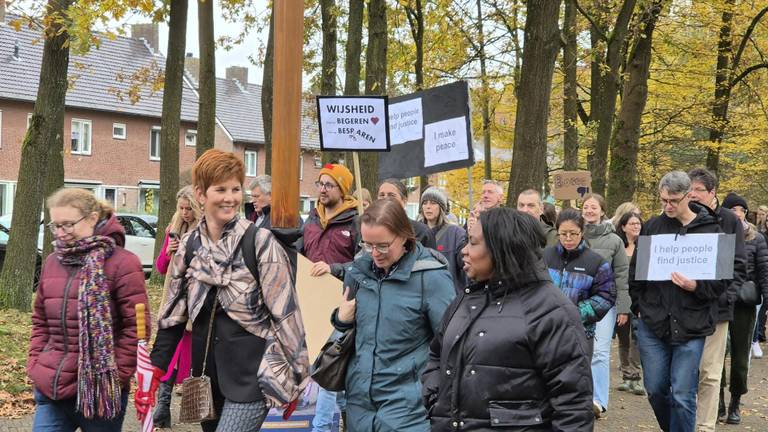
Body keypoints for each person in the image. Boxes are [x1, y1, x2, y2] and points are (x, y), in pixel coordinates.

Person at [145, 149, 309, 432]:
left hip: (252, 376)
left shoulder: (260, 243)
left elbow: (286, 313)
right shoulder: (189, 247)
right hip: (206, 379)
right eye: (220, 189)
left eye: (235, 189)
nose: (230, 197)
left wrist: (297, 374)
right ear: (200, 194)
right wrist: (155, 370)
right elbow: (173, 313)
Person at [423, 207, 595, 430]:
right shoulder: (465, 300)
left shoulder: (552, 310)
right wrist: (435, 395)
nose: (464, 251)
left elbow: (573, 405)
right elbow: (437, 354)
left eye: (473, 243)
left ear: (501, 247)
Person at [28, 188, 149, 431]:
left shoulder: (123, 263)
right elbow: (40, 321)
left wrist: (115, 375)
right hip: (52, 386)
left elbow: (137, 329)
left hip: (100, 392)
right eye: (56, 225)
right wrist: (36, 361)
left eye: (68, 225)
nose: (61, 234)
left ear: (92, 218)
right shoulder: (53, 261)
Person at [332, 199, 455, 431]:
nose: (375, 253)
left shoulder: (432, 278)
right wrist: (341, 320)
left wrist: (434, 398)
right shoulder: (358, 273)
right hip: (360, 406)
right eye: (367, 245)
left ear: (403, 236)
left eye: (383, 245)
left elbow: (451, 346)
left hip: (409, 411)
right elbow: (346, 336)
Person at [630, 171, 726, 432]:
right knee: (656, 390)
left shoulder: (711, 228)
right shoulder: (652, 227)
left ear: (688, 196)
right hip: (653, 322)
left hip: (691, 323)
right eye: (663, 200)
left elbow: (722, 281)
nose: (668, 206)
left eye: (673, 200)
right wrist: (638, 307)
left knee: (683, 394)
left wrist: (696, 286)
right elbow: (635, 274)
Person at [302, 163, 360, 431]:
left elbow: (364, 262)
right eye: (320, 184)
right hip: (314, 304)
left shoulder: (356, 219)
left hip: (343, 306)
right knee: (328, 368)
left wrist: (335, 269)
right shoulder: (311, 219)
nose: (322, 190)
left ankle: (322, 427)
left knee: (329, 369)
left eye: (329, 185)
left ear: (342, 189)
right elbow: (301, 252)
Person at [687, 168, 746, 431]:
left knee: (710, 373)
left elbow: (737, 267)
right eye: (689, 189)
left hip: (716, 310)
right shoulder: (680, 218)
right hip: (683, 308)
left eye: (698, 190)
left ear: (712, 193)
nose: (692, 194)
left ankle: (705, 426)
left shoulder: (728, 221)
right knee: (686, 373)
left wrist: (725, 298)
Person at [152, 185, 202, 428]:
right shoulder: (172, 229)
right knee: (169, 355)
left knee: (195, 357)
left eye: (188, 208)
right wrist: (169, 251)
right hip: (173, 303)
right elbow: (161, 268)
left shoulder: (203, 231)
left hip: (195, 303)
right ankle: (162, 405)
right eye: (181, 208)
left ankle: (196, 410)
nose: (184, 213)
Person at [580, 193, 630, 417]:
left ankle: (598, 400)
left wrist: (623, 307)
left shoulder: (614, 240)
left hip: (604, 304)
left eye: (593, 207)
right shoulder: (573, 235)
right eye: (586, 207)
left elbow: (621, 275)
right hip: (577, 302)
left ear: (602, 211)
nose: (589, 211)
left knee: (600, 352)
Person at [720, 192, 768, 424]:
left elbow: (764, 272)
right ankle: (717, 401)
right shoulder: (717, 233)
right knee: (717, 356)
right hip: (718, 302)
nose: (738, 213)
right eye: (733, 209)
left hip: (744, 305)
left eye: (742, 209)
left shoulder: (755, 238)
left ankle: (735, 402)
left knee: (740, 358)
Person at [544, 209, 616, 358]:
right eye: (563, 234)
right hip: (546, 331)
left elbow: (606, 296)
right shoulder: (544, 256)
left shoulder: (596, 262)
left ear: (582, 232)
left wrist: (575, 313)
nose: (568, 238)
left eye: (573, 233)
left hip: (580, 333)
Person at [614, 212, 645, 396]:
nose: (636, 226)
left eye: (638, 223)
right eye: (632, 224)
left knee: (638, 338)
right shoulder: (619, 247)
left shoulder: (645, 247)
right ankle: (626, 375)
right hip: (621, 298)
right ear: (623, 226)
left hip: (639, 298)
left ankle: (635, 375)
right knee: (623, 337)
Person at [418, 186, 467, 293]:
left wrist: (470, 240)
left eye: (433, 203)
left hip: (449, 294)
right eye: (425, 203)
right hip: (420, 294)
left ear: (442, 207)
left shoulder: (456, 233)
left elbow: (465, 263)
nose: (428, 207)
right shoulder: (415, 231)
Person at [378, 178, 437, 249]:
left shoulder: (422, 233)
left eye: (391, 195)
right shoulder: (368, 228)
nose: (385, 199)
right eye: (381, 195)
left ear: (404, 201)